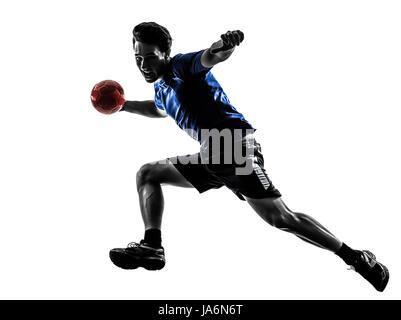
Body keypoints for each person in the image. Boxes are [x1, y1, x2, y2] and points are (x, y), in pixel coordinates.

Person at [109, 22, 389, 292]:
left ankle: (356, 258)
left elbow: (209, 57)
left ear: (165, 54)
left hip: (232, 145)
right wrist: (122, 105)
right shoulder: (161, 90)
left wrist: (224, 46)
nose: (144, 65)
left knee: (282, 217)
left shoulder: (181, 67)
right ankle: (152, 247)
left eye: (150, 57)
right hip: (212, 156)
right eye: (138, 58)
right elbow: (158, 109)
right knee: (148, 174)